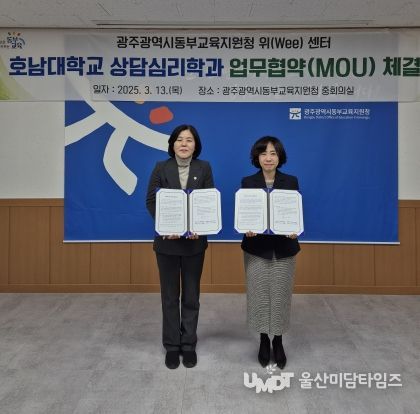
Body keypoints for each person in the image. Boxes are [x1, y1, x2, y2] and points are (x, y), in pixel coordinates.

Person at [146, 124, 214, 369]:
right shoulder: (160, 167)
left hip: (194, 243)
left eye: (189, 140)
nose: (184, 144)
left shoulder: (204, 167)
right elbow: (151, 201)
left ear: (196, 145)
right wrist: (166, 226)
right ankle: (172, 345)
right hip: (167, 243)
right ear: (172, 144)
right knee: (169, 296)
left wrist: (200, 227)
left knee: (192, 296)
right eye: (179, 139)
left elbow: (208, 201)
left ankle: (188, 344)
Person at [241, 136, 300, 368]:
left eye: (273, 153)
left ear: (279, 157)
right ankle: (264, 339)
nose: (268, 158)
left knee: (280, 295)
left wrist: (295, 229)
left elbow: (295, 213)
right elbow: (245, 213)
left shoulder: (291, 181)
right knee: (259, 295)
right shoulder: (248, 182)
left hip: (284, 247)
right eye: (263, 153)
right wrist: (246, 228)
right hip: (256, 248)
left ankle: (279, 340)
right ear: (257, 157)